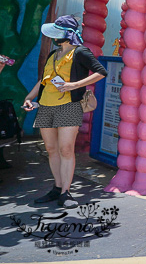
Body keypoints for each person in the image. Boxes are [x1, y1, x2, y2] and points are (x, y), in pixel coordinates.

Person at [22, 15, 107, 208]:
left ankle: (66, 192)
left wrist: (75, 84)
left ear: (68, 34)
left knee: (66, 149)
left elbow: (101, 72)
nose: (54, 37)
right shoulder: (53, 54)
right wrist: (29, 97)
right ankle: (57, 187)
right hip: (45, 106)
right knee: (51, 149)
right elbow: (43, 80)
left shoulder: (81, 52)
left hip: (69, 105)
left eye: (57, 33)